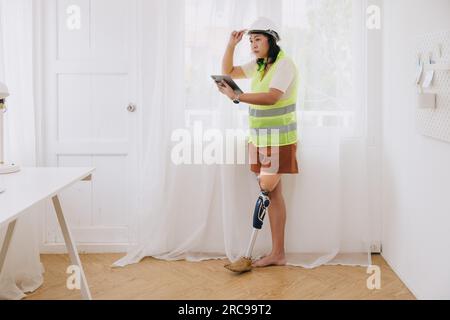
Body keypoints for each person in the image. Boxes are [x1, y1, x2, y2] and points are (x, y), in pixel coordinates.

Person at [217, 17, 299, 268]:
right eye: (250, 40)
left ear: (271, 40)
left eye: (258, 39)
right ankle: (278, 254)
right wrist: (231, 45)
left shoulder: (284, 64)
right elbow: (229, 73)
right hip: (259, 139)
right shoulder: (261, 65)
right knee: (273, 194)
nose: (253, 44)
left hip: (278, 140)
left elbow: (273, 97)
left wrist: (237, 97)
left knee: (266, 187)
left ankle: (253, 254)